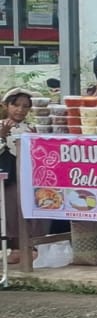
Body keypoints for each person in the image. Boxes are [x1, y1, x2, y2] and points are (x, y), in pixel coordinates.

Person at [1, 87, 38, 264]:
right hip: (7, 177)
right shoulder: (1, 126)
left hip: (25, 176)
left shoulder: (31, 128)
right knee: (9, 211)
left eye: (25, 106)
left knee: (24, 210)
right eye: (16, 105)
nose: (20, 110)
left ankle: (28, 248)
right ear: (6, 105)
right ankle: (14, 248)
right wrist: (2, 136)